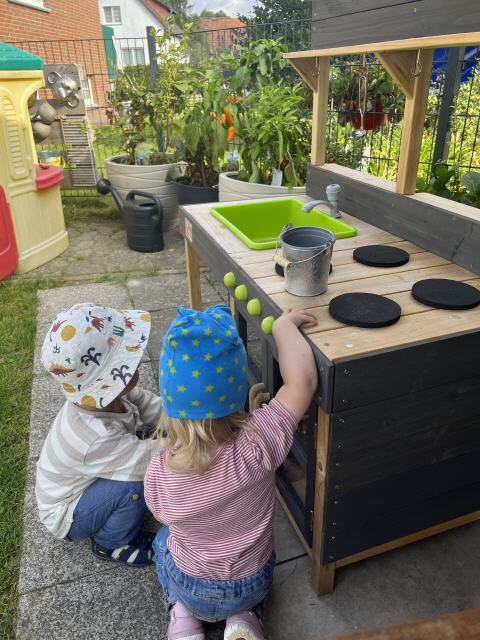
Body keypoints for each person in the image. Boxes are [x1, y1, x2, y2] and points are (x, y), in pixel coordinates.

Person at [145, 303, 318, 639]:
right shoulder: (260, 441)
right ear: (237, 389)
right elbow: (303, 383)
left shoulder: (161, 471)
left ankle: (183, 619)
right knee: (252, 560)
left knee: (162, 541)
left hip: (191, 583)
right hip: (251, 581)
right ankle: (244, 618)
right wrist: (283, 328)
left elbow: (161, 513)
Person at [36, 303, 162, 566]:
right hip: (67, 512)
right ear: (109, 378)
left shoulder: (109, 394)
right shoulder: (93, 436)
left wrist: (183, 419)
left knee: (145, 433)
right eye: (127, 358)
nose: (136, 358)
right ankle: (112, 542)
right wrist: (196, 442)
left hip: (83, 480)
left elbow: (149, 405)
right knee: (135, 484)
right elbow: (149, 460)